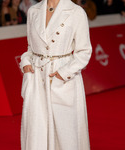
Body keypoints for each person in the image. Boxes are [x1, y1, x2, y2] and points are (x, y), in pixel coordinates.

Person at [19, 0, 92, 149]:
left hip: (62, 77)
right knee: (37, 128)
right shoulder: (33, 11)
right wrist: (25, 62)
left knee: (65, 131)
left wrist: (63, 73)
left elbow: (84, 52)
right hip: (37, 79)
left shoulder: (76, 12)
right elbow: (30, 48)